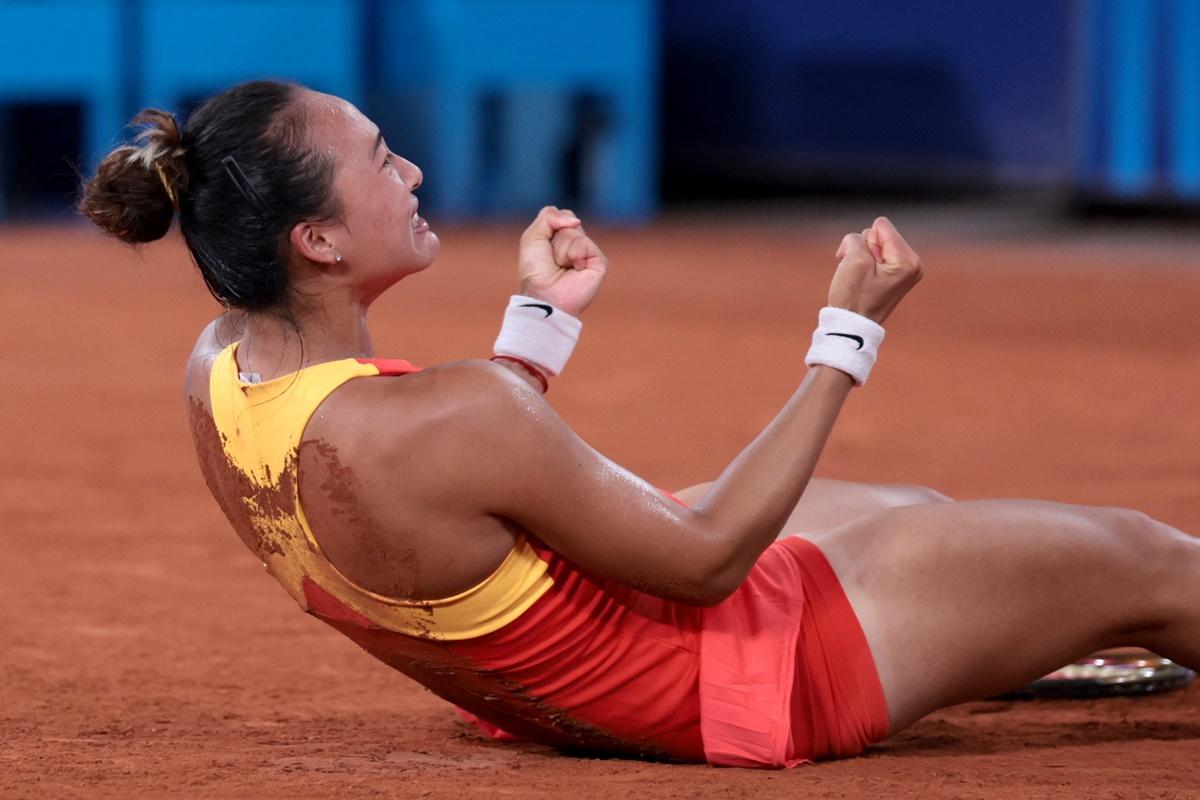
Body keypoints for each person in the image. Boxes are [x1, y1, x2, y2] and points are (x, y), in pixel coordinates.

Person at [79, 80, 1200, 768]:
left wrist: (538, 328)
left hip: (573, 693)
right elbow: (709, 564)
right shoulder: (450, 414)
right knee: (1148, 558)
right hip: (746, 673)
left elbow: (426, 485)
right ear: (315, 240)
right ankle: (1033, 614)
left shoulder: (221, 369)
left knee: (920, 513)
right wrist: (845, 332)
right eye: (379, 158)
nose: (411, 169)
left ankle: (1000, 634)